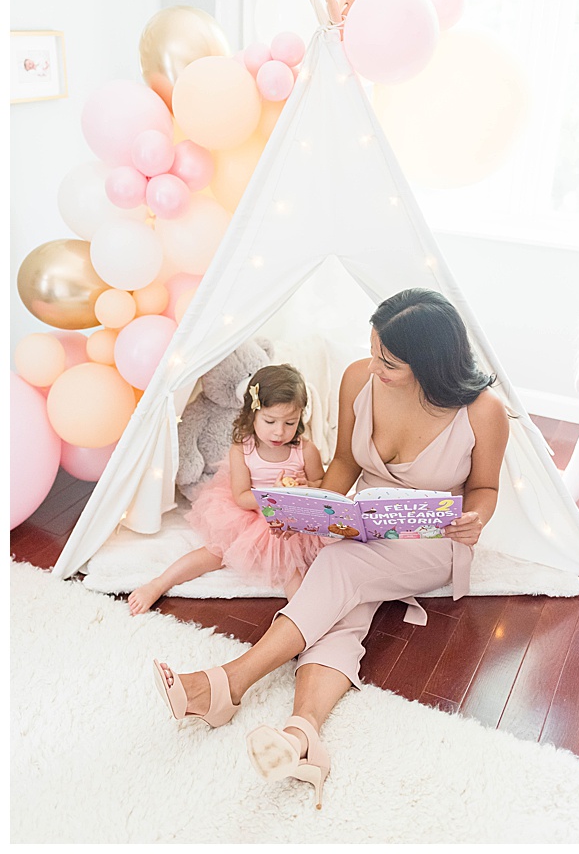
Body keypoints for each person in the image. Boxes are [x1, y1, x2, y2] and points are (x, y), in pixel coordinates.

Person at [150, 288, 509, 810]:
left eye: (390, 360)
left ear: (430, 362)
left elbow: (485, 490)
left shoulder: (482, 412)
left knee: (338, 568)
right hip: (362, 525)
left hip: (431, 541)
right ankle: (304, 736)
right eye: (373, 347)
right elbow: (343, 463)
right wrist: (313, 512)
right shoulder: (359, 378)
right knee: (341, 606)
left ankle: (229, 682)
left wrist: (476, 519)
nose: (375, 364)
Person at [130, 364, 325, 615]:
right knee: (215, 553)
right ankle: (158, 584)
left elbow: (322, 484)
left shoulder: (305, 450)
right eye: (269, 421)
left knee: (292, 567)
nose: (279, 431)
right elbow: (241, 497)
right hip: (252, 513)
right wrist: (272, 496)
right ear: (252, 414)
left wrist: (305, 488)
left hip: (290, 523)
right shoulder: (243, 449)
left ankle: (303, 621)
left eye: (290, 422)